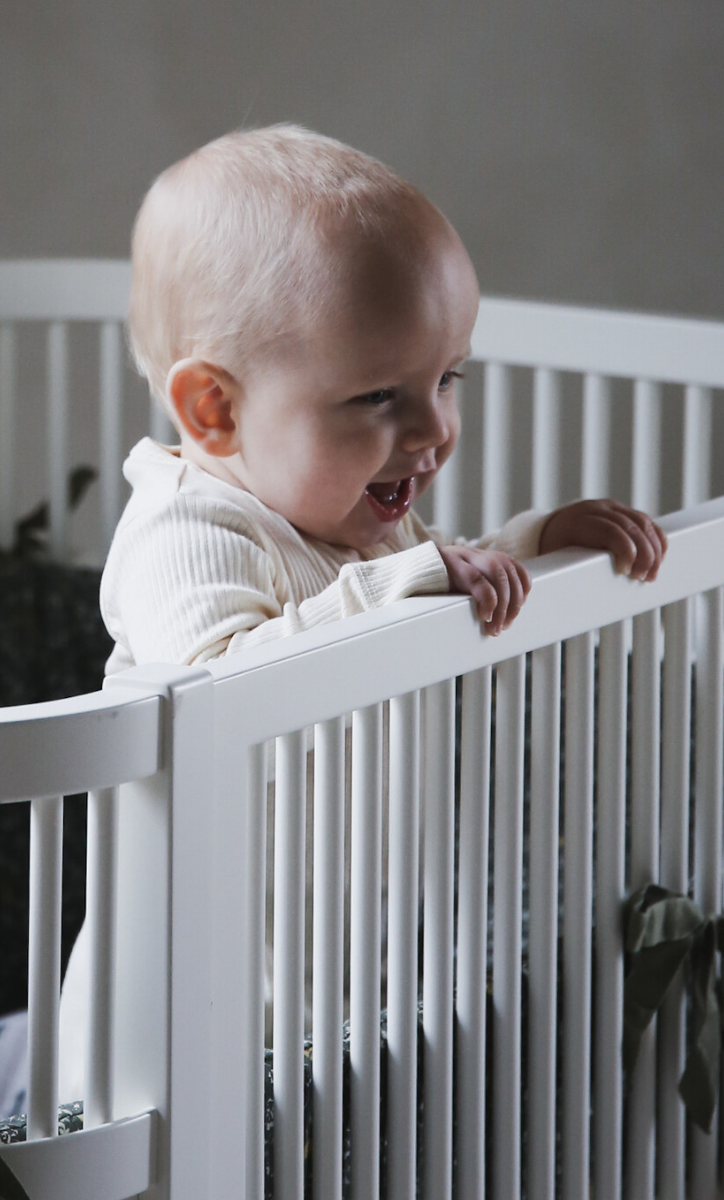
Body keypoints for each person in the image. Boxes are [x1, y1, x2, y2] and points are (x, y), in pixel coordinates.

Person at [58, 124, 666, 1099]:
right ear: (213, 409)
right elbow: (226, 684)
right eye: (380, 395)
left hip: (337, 983)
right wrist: (416, 581)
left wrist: (530, 546)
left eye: (447, 378)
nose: (432, 431)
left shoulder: (353, 517)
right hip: (176, 1026)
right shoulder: (184, 532)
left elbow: (433, 583)